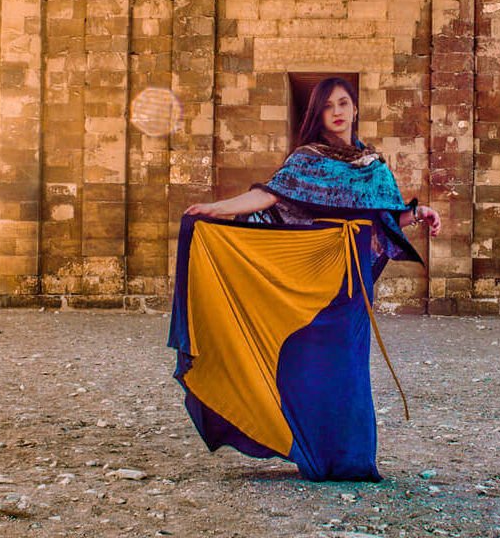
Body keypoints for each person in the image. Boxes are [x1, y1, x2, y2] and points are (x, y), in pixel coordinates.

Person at [167, 77, 441, 482]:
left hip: (351, 285)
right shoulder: (305, 160)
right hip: (314, 274)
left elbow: (384, 217)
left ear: (354, 109)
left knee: (347, 369)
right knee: (306, 364)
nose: (337, 111)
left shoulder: (376, 167)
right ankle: (310, 452)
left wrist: (419, 213)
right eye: (329, 105)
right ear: (319, 113)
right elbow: (269, 196)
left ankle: (349, 461)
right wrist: (216, 209)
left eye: (344, 103)